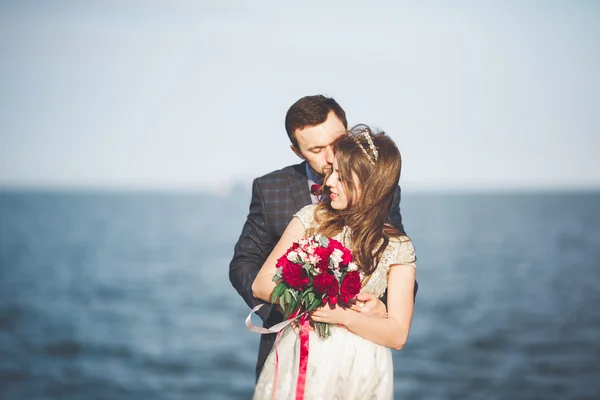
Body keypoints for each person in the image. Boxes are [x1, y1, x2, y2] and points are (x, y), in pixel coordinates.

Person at [229, 95, 408, 380]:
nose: (330, 157)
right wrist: (296, 305)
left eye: (337, 143)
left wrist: (382, 307)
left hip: (357, 353)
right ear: (297, 151)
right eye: (316, 149)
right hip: (287, 348)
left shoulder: (382, 190)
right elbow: (243, 264)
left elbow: (392, 258)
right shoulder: (269, 188)